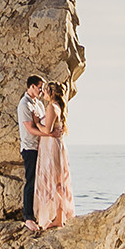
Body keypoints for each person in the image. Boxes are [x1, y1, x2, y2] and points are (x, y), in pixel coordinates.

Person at [30, 84, 74, 232]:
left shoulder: (51, 107)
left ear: (52, 93)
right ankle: (59, 218)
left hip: (50, 147)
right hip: (55, 145)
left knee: (53, 181)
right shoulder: (57, 107)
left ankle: (57, 218)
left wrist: (36, 122)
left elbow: (47, 129)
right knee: (58, 181)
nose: (43, 93)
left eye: (46, 91)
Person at [16, 76, 44, 223]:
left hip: (41, 148)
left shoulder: (38, 104)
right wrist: (48, 133)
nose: (41, 90)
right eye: (39, 87)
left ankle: (40, 213)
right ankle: (28, 217)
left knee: (41, 182)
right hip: (30, 148)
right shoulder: (24, 104)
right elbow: (30, 128)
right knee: (31, 182)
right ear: (31, 86)